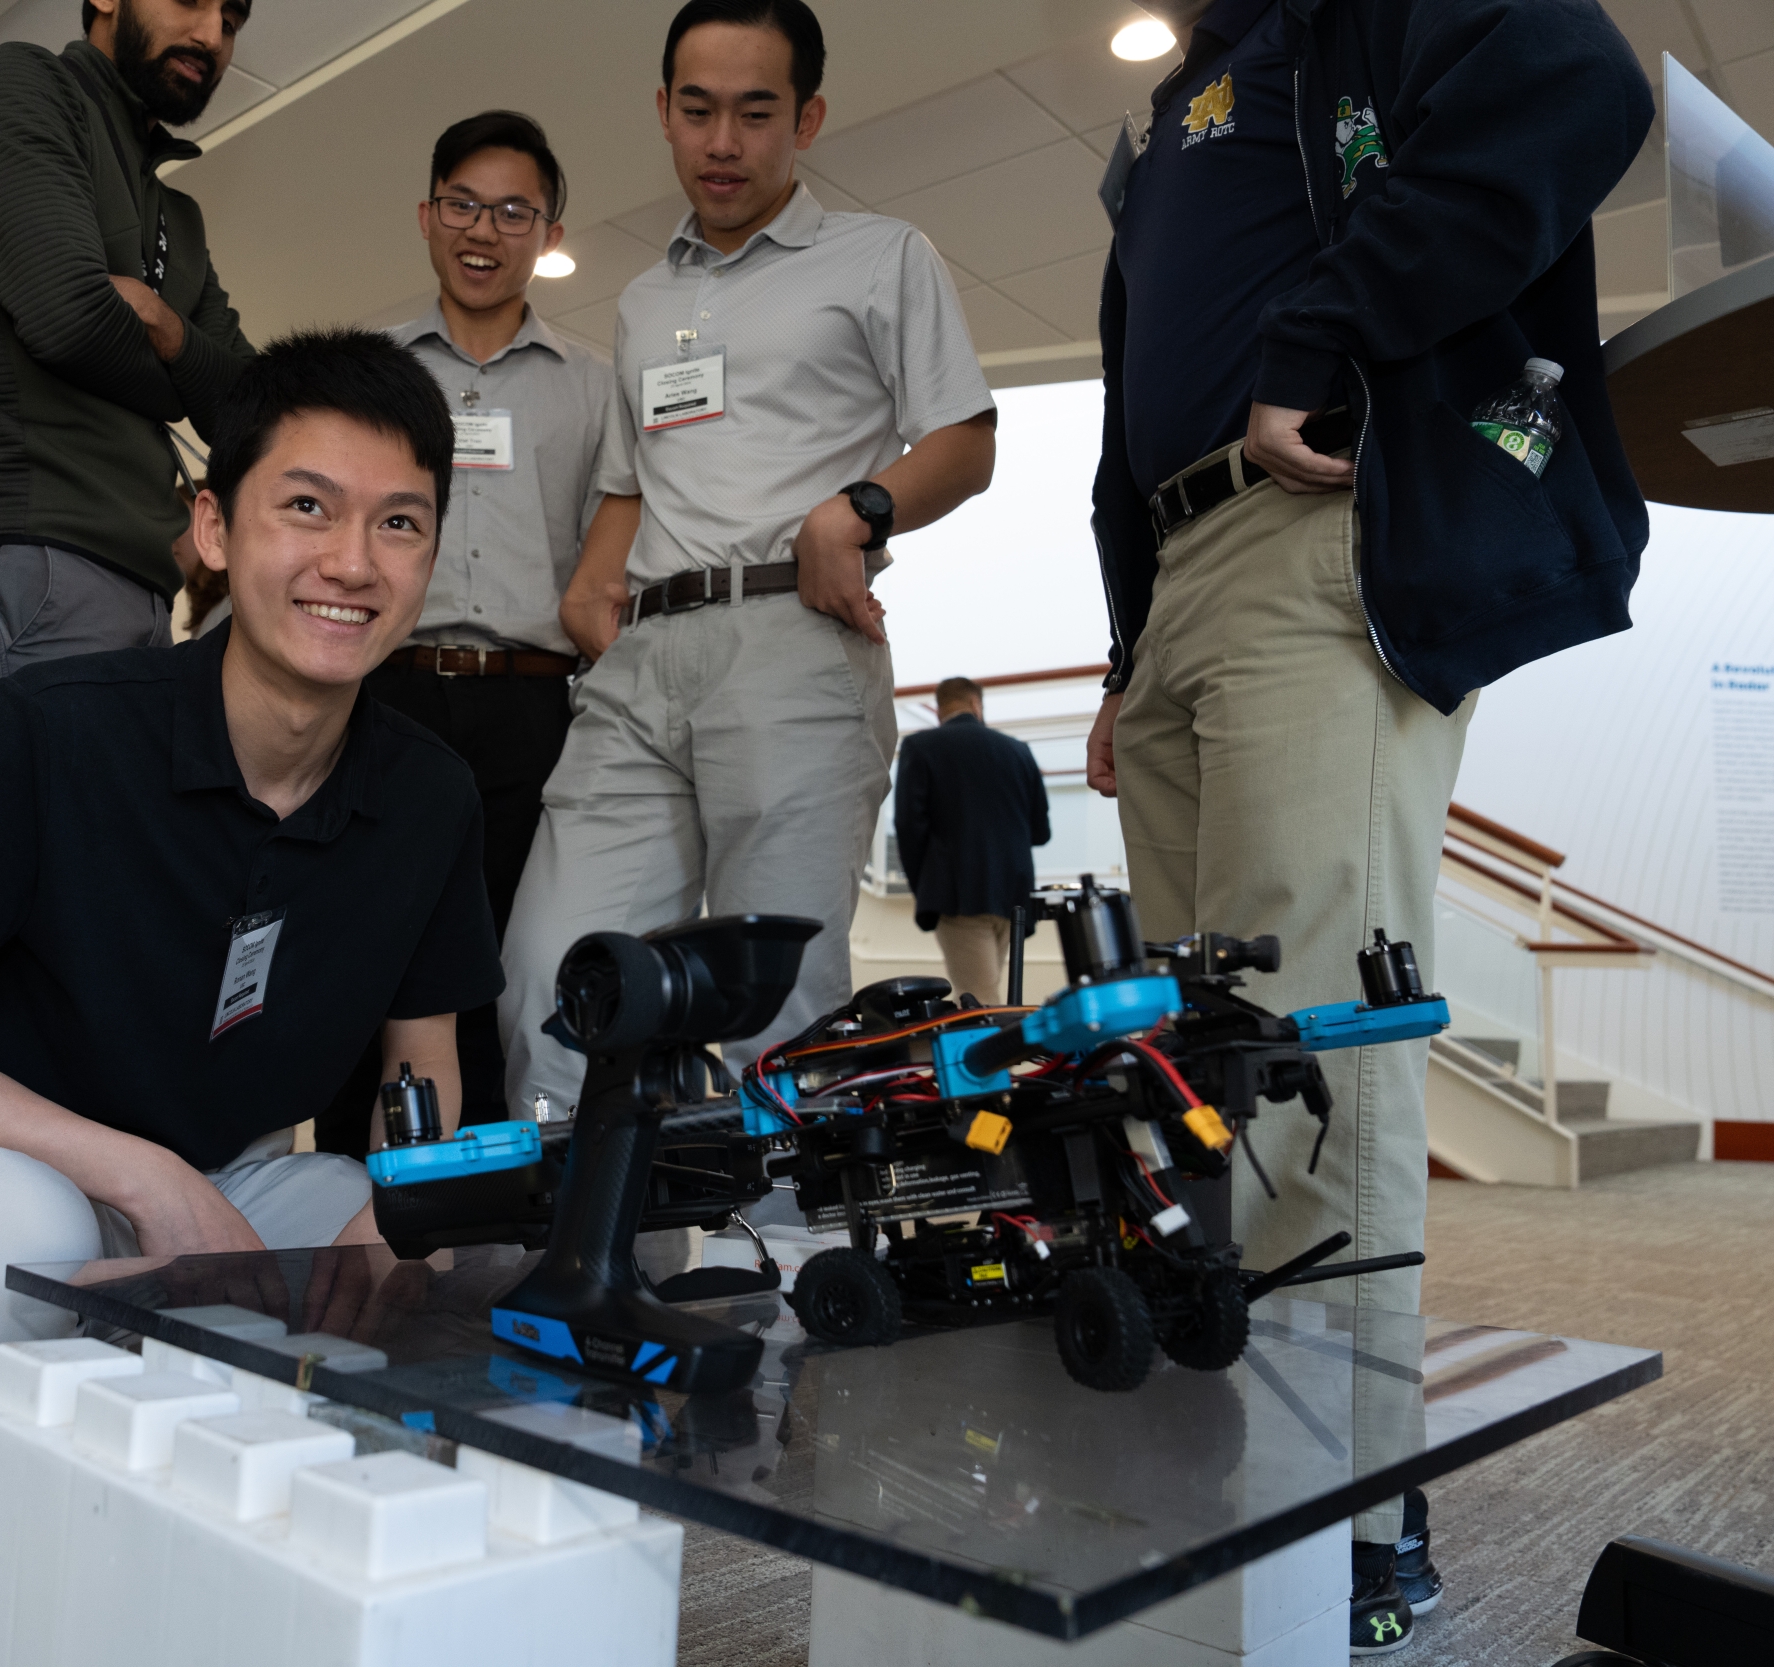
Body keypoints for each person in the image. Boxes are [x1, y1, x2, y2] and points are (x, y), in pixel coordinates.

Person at [0, 329, 499, 1667]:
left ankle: (185, 1561)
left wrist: (397, 1224)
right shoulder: (55, 727)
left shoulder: (428, 793)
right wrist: (147, 1175)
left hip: (238, 1178)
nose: (353, 560)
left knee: (442, 1279)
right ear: (213, 529)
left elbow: (428, 1074)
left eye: (398, 521)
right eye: (306, 505)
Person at [1086, 0, 1651, 1650]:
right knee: (1199, 1071)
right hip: (1184, 580)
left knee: (1319, 1046)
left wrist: (1325, 334)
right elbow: (1144, 379)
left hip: (1307, 545)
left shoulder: (1359, 9)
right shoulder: (1188, 90)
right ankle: (1237, 1465)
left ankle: (1344, 1510)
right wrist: (1129, 644)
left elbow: (1578, 81)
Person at [499, 0, 998, 1116]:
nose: (722, 142)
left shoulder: (880, 256)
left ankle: (783, 1285)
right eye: (697, 110)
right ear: (664, 116)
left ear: (806, 119)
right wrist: (588, 592)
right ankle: (591, 1270)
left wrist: (856, 509)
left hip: (789, 646)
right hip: (638, 668)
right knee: (552, 971)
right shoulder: (641, 300)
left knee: (782, 1011)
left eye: (754, 112)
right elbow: (632, 485)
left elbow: (966, 443)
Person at [344, 109, 633, 1127]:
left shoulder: (597, 390)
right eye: (463, 203)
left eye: (515, 211)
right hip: (382, 694)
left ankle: (494, 1214)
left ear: (549, 233)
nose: (485, 229)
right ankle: (347, 1202)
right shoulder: (367, 373)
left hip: (531, 710)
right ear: (427, 216)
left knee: (508, 959)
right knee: (362, 941)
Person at [0, 0, 257, 747]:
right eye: (192, 2)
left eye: (231, 22)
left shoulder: (181, 219)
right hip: (36, 555)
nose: (211, 35)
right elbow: (68, 318)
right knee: (14, 854)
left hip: (143, 589)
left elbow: (253, 414)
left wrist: (165, 328)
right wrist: (185, 382)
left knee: (93, 858)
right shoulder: (25, 85)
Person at [893, 678, 1050, 1007]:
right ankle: (1003, 1058)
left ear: (939, 710)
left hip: (958, 894)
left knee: (977, 1002)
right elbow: (1041, 833)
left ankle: (996, 1060)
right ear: (977, 706)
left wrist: (925, 887)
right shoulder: (1019, 751)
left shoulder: (921, 747)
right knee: (991, 992)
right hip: (1014, 897)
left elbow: (908, 825)